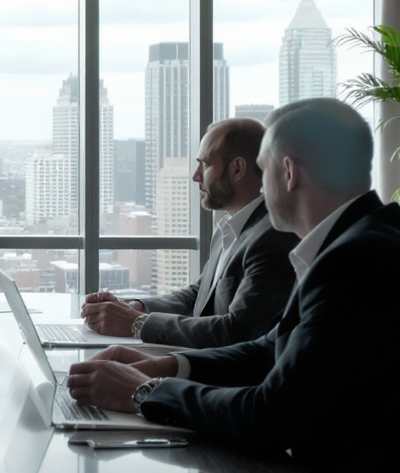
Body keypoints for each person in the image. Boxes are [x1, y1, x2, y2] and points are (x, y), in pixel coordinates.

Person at [64, 98, 400, 473]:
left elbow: (270, 418)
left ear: (288, 172)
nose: (259, 183)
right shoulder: (355, 240)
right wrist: (169, 367)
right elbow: (270, 347)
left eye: (262, 168)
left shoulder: (356, 261)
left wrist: (142, 393)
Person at [82, 118, 298, 348]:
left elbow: (239, 331)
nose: (196, 176)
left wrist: (137, 324)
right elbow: (199, 295)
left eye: (205, 165)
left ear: (237, 168)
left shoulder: (272, 237)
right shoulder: (231, 227)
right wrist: (136, 307)